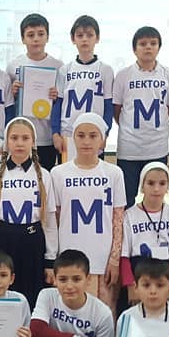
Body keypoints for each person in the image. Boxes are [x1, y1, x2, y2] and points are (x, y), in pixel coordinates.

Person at [0, 118, 57, 307]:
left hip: (32, 242)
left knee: (31, 298)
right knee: (1, 296)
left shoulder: (44, 175)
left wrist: (50, 260)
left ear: (33, 142)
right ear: (6, 141)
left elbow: (50, 221)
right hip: (2, 240)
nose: (19, 143)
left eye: (25, 138)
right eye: (14, 138)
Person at [51, 113, 125, 310]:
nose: (86, 141)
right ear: (73, 138)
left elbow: (118, 220)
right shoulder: (58, 173)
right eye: (81, 135)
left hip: (102, 258)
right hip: (69, 257)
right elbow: (54, 220)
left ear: (103, 140)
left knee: (104, 316)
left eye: (93, 136)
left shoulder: (114, 173)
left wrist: (114, 260)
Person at [113, 26, 169, 206]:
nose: (148, 47)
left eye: (153, 43)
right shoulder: (123, 75)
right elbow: (117, 109)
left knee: (154, 196)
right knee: (127, 197)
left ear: (159, 47)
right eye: (143, 44)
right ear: (134, 49)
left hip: (157, 147)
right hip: (129, 148)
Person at [120, 162, 169, 310]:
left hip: (166, 271)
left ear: (168, 187)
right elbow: (123, 256)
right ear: (142, 186)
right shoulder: (129, 215)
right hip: (138, 271)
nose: (156, 189)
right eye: (150, 183)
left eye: (162, 183)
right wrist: (130, 285)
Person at [51, 15, 114, 164]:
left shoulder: (105, 70)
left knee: (93, 174)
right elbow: (58, 104)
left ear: (97, 38)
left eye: (90, 35)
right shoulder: (65, 70)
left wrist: (105, 133)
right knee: (68, 175)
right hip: (68, 134)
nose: (85, 39)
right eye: (80, 35)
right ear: (73, 39)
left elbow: (108, 106)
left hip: (95, 134)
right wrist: (55, 133)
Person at [8, 13, 63, 170]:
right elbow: (7, 103)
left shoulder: (58, 66)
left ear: (47, 37)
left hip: (47, 136)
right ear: (23, 39)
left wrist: (56, 96)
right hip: (21, 137)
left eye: (40, 34)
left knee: (45, 179)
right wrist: (13, 92)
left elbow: (63, 103)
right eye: (30, 35)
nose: (36, 39)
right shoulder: (13, 65)